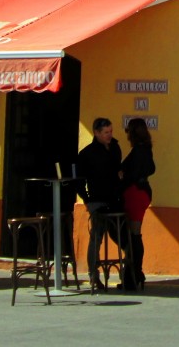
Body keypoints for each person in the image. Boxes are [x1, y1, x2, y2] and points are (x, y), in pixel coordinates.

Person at [76, 117, 123, 290]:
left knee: (121, 235)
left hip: (115, 198)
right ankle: (93, 275)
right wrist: (87, 199)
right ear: (96, 133)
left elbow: (118, 169)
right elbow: (79, 180)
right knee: (96, 237)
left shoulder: (115, 147)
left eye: (111, 132)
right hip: (97, 199)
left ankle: (127, 272)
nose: (109, 135)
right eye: (106, 133)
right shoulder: (87, 153)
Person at [120, 117, 155, 290]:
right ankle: (135, 274)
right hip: (143, 192)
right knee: (135, 234)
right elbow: (152, 169)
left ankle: (133, 275)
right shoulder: (146, 149)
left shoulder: (138, 151)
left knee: (133, 235)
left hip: (134, 193)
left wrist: (122, 177)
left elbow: (130, 173)